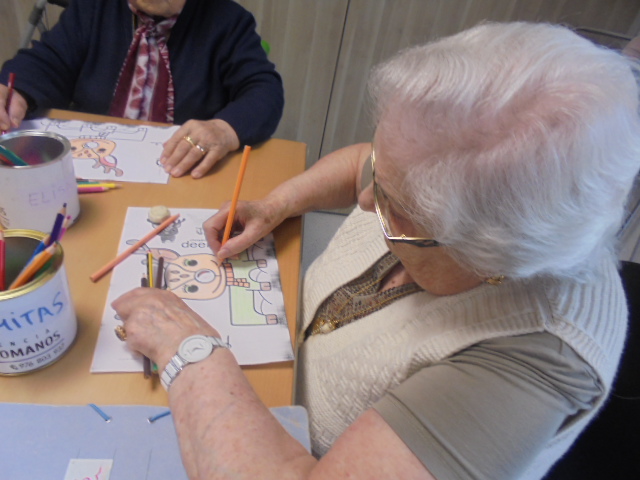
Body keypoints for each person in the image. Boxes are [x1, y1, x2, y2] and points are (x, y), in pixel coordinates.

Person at [112, 22, 640, 479]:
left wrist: (189, 350)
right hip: (277, 382)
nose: (365, 199)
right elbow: (363, 164)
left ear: (490, 258)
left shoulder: (528, 362)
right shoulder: (446, 163)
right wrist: (276, 205)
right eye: (381, 175)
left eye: (397, 207)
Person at [0, 0, 284, 179]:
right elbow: (48, 60)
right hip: (94, 165)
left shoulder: (227, 20)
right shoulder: (92, 7)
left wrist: (223, 130)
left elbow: (263, 89)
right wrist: (16, 92)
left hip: (180, 169)